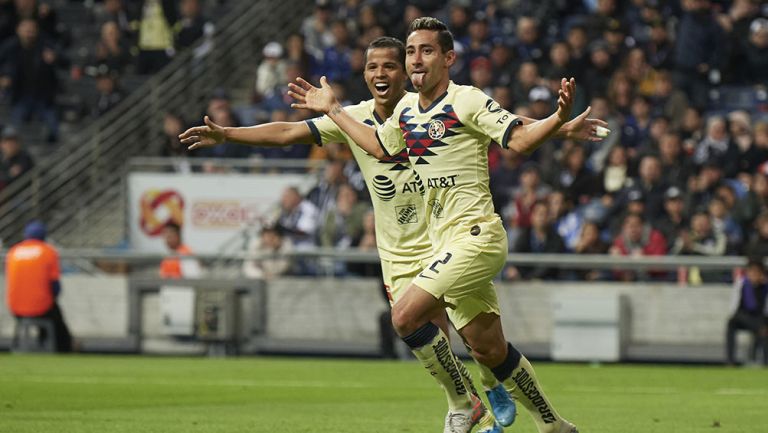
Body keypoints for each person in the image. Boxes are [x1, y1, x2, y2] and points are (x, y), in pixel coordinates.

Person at [180, 37, 516, 433]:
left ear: (405, 71)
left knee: (478, 340)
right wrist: (229, 135)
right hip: (397, 253)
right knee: (428, 337)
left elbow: (499, 133)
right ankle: (463, 403)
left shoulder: (427, 112)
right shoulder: (352, 118)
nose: (379, 74)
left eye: (389, 66)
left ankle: (490, 384)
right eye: (372, 67)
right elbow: (289, 132)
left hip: (443, 238)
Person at [287, 17, 607, 433]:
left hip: (477, 237)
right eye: (411, 51)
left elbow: (520, 139)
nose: (416, 59)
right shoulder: (404, 110)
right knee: (489, 348)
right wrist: (334, 111)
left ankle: (464, 403)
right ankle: (554, 424)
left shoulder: (466, 101)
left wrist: (557, 119)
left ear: (448, 58)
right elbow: (380, 148)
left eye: (427, 50)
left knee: (404, 317)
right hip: (444, 246)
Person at [5, 221, 72, 352]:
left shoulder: (13, 252)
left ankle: (20, 343)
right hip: (42, 308)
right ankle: (63, 348)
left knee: (47, 311)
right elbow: (55, 287)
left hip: (15, 308)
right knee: (56, 317)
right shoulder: (48, 252)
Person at [725, 258, 768, 365]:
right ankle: (730, 361)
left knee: (764, 327)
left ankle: (764, 361)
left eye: (756, 272)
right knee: (732, 322)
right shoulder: (742, 283)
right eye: (751, 272)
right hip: (742, 316)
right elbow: (734, 305)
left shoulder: (765, 287)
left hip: (759, 317)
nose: (753, 275)